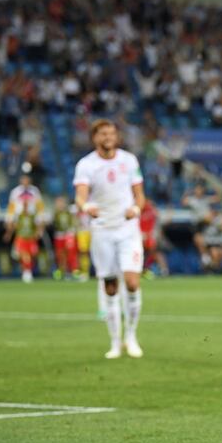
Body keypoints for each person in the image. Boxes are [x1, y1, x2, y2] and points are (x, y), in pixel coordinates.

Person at [74, 119, 146, 359]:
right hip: (103, 229)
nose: (108, 137)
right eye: (103, 133)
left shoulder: (128, 160)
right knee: (110, 286)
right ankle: (115, 342)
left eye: (111, 133)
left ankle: (131, 336)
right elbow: (81, 197)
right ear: (94, 137)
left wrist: (136, 209)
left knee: (132, 282)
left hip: (127, 229)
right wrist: (87, 207)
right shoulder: (86, 165)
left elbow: (140, 196)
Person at [4, 170, 45, 283]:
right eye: (23, 179)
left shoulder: (35, 191)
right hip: (20, 222)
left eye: (27, 179)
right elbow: (11, 209)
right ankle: (26, 271)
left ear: (30, 180)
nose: (25, 181)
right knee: (21, 251)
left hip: (32, 222)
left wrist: (40, 226)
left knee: (32, 252)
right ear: (21, 180)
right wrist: (9, 226)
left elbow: (40, 208)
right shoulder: (15, 192)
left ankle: (28, 270)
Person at [52, 196, 79, 280]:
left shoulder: (69, 212)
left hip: (68, 235)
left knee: (71, 253)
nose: (60, 205)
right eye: (58, 203)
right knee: (60, 254)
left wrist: (73, 231)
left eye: (61, 202)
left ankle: (74, 271)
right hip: (59, 235)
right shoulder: (55, 213)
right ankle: (62, 272)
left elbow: (74, 221)